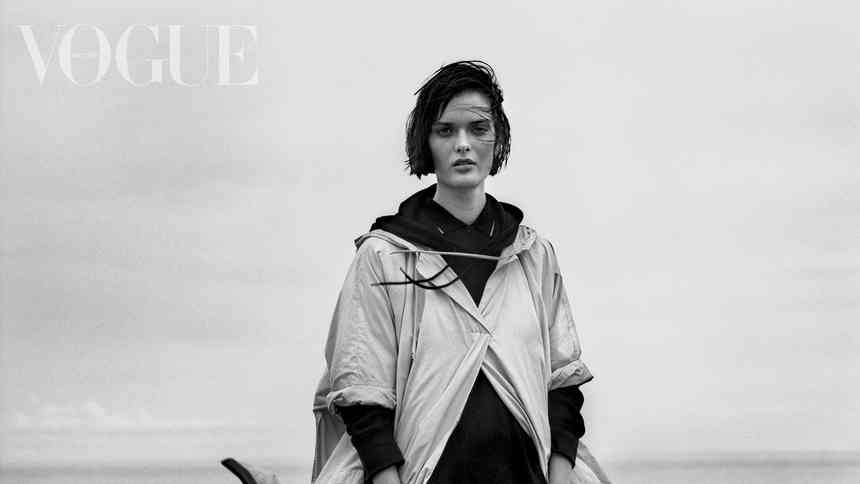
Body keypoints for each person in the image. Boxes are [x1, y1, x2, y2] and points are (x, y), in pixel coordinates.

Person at [311, 61, 607, 484]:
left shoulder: (533, 255)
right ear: (425, 142)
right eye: (446, 130)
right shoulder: (385, 256)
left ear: (498, 139)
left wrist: (559, 477)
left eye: (478, 128)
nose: (463, 144)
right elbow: (364, 396)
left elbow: (563, 382)